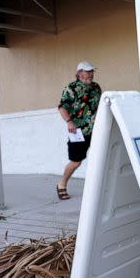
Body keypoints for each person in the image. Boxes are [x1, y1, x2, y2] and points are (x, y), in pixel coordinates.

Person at [56, 61, 102, 200]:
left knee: (99, 158)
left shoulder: (96, 87)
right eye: (87, 72)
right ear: (79, 73)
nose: (90, 74)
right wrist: (69, 122)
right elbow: (62, 107)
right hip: (78, 131)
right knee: (76, 161)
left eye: (91, 71)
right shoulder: (70, 88)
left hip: (97, 130)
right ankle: (61, 184)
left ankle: (98, 188)